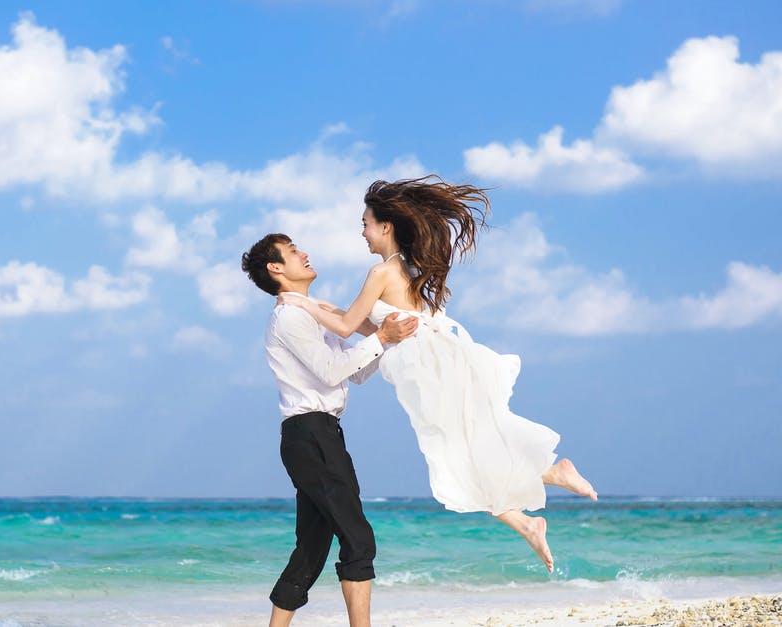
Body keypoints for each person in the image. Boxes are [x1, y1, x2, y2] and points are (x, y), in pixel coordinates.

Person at [278, 176, 598, 574]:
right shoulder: (407, 267)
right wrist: (323, 307)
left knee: (456, 456)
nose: (362, 232)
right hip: (443, 356)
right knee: (463, 452)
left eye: (365, 223)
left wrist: (302, 304)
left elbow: (346, 327)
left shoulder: (380, 272)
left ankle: (550, 472)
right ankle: (527, 520)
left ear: (385, 226)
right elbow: (365, 325)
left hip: (427, 368)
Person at [242, 233, 418, 627]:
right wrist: (380, 339)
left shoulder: (310, 314)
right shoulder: (289, 317)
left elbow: (353, 374)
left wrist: (384, 340)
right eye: (292, 252)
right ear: (275, 268)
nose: (304, 253)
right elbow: (332, 371)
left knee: (312, 546)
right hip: (311, 434)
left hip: (318, 434)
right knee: (358, 539)